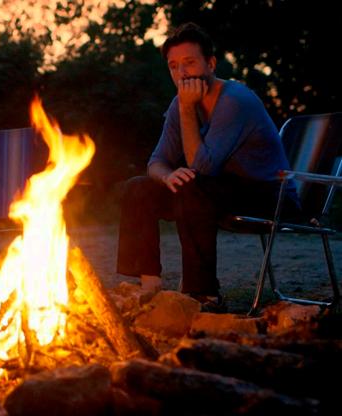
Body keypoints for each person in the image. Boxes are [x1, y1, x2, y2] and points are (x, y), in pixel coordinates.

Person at [116, 22, 299, 312]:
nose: (181, 73)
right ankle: (149, 286)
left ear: (211, 63)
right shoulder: (181, 103)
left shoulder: (234, 101)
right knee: (137, 187)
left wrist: (187, 109)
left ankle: (202, 295)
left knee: (193, 184)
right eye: (174, 66)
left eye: (189, 63)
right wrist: (167, 176)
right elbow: (156, 162)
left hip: (269, 196)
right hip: (218, 189)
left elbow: (203, 167)